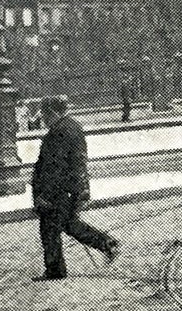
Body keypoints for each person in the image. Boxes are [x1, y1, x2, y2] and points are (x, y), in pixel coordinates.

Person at [31, 95, 118, 279]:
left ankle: (55, 271)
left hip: (60, 191)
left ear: (53, 113)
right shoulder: (72, 126)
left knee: (49, 228)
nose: (44, 120)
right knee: (69, 224)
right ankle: (106, 243)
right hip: (72, 188)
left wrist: (44, 195)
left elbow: (54, 167)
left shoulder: (59, 132)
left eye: (45, 116)